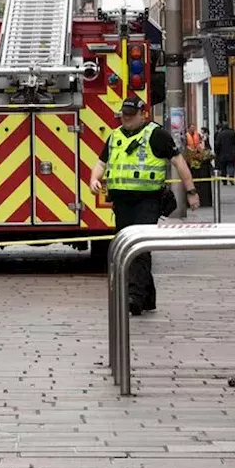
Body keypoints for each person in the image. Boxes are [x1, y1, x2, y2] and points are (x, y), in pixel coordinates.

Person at [89, 97, 200, 316]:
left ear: (143, 114)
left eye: (131, 115)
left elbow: (179, 162)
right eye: (124, 114)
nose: (126, 119)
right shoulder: (115, 136)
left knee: (137, 248)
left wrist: (191, 192)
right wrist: (95, 179)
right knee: (130, 247)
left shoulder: (156, 135)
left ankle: (134, 297)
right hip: (121, 202)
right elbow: (101, 163)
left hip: (147, 201)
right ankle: (148, 297)